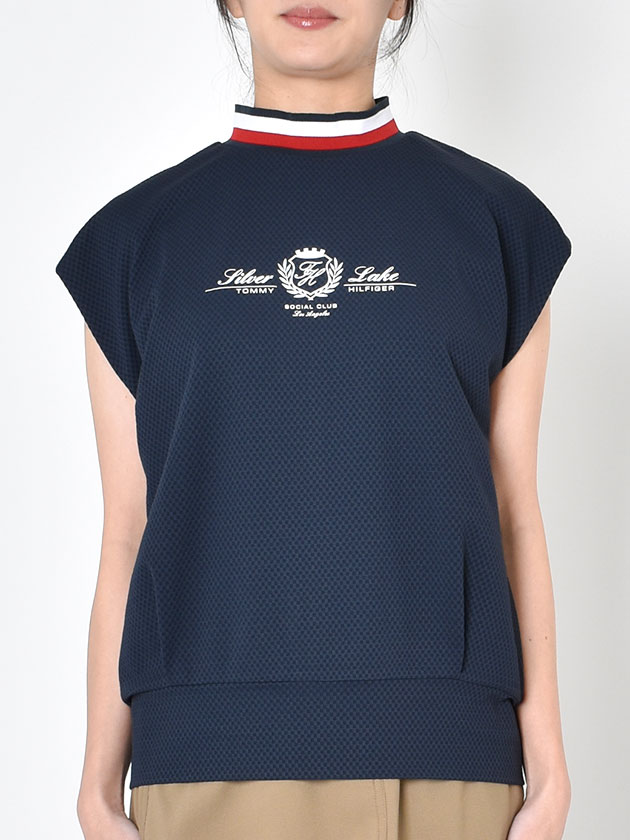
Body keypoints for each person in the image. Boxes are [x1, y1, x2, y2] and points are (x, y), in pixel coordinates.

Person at [54, 2, 574, 839]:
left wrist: (548, 768)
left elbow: (515, 511)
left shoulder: (497, 225)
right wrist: (95, 787)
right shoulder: (131, 241)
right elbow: (127, 531)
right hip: (201, 768)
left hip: (448, 765)